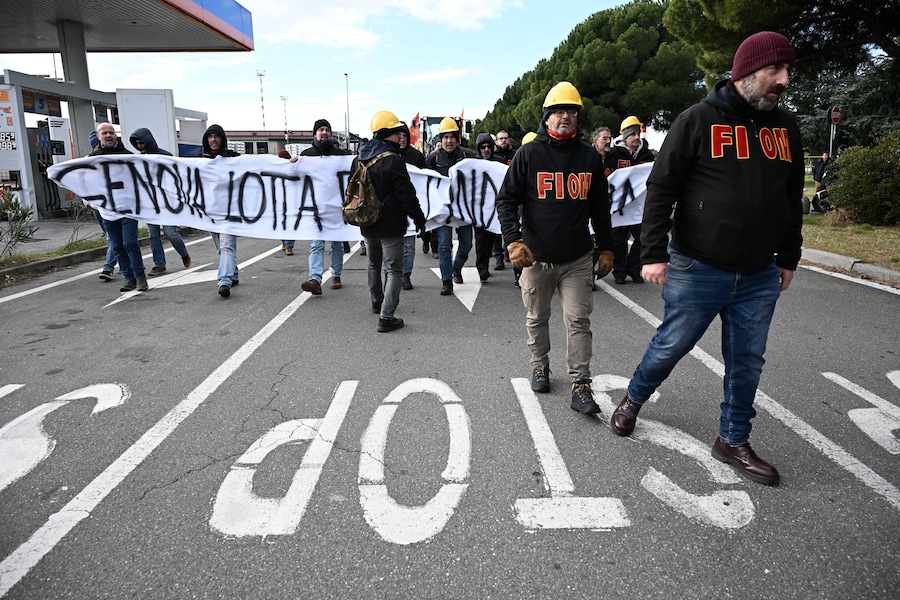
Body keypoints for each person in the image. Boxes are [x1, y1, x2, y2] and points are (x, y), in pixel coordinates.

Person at [610, 31, 804, 487]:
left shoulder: (786, 127)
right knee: (671, 344)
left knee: (748, 361)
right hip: (699, 265)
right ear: (746, 72)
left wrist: (789, 255)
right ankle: (634, 399)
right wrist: (652, 252)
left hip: (758, 271)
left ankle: (733, 439)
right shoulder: (698, 119)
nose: (785, 80)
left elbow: (791, 196)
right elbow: (661, 188)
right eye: (776, 70)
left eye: (788, 71)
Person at [496, 81, 614, 414]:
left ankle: (581, 384)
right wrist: (513, 240)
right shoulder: (529, 153)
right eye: (559, 111)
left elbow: (600, 209)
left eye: (571, 111)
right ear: (547, 116)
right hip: (536, 258)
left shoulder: (589, 156)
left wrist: (606, 247)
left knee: (578, 321)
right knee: (537, 317)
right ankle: (540, 365)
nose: (565, 116)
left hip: (578, 257)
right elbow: (507, 200)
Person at [357, 110, 427, 332]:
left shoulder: (360, 157)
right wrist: (419, 218)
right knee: (395, 270)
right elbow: (406, 194)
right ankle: (387, 317)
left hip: (367, 222)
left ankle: (376, 301)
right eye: (397, 132)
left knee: (373, 264)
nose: (400, 137)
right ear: (388, 134)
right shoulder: (393, 161)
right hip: (391, 225)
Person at [90, 123, 148, 292]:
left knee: (130, 243)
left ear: (116, 135)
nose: (108, 135)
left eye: (111, 132)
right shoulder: (92, 159)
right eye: (104, 133)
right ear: (99, 136)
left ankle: (140, 277)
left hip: (128, 209)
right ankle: (128, 278)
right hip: (107, 211)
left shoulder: (128, 156)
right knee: (118, 246)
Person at [129, 128, 192, 276]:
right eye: (137, 144)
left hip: (166, 202)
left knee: (171, 232)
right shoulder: (138, 159)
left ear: (147, 141)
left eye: (141, 143)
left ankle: (184, 253)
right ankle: (159, 264)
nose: (140, 146)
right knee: (153, 235)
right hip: (150, 203)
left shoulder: (165, 156)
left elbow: (176, 177)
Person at [425, 117, 476, 295]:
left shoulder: (469, 156)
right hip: (443, 212)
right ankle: (446, 281)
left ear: (457, 137)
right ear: (441, 139)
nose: (449, 140)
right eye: (445, 137)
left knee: (467, 244)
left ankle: (457, 267)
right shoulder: (432, 159)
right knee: (444, 246)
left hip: (464, 211)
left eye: (452, 137)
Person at [300, 118, 351, 295]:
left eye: (327, 129)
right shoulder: (306, 155)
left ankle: (336, 274)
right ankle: (315, 278)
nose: (324, 132)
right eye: (320, 129)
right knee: (317, 243)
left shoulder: (342, 155)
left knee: (337, 243)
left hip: (337, 206)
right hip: (316, 208)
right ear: (314, 133)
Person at [608, 116, 655, 284]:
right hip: (620, 206)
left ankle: (634, 268)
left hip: (639, 206)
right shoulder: (614, 154)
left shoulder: (646, 155)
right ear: (625, 136)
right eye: (633, 134)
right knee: (618, 240)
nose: (636, 137)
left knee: (642, 237)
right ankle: (619, 271)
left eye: (638, 134)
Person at [200, 124, 242, 298]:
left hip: (230, 211)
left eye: (216, 136)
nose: (213, 140)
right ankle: (233, 272)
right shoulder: (200, 161)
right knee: (221, 246)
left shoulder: (234, 158)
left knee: (226, 245)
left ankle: (224, 281)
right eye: (210, 137)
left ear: (222, 139)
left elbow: (257, 167)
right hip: (210, 212)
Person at [394, 122, 426, 290]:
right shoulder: (388, 155)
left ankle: (406, 274)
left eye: (404, 135)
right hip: (392, 207)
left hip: (411, 205)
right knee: (391, 245)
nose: (401, 139)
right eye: (398, 135)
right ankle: (392, 274)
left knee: (409, 246)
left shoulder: (417, 156)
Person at [472, 132, 506, 282]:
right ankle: (482, 268)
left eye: (488, 147)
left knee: (496, 237)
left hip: (496, 208)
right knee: (481, 241)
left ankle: (499, 258)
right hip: (479, 210)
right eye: (483, 147)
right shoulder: (473, 164)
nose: (486, 150)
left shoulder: (499, 162)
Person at [86, 130, 119, 283]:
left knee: (112, 236)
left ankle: (108, 267)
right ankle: (122, 261)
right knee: (111, 235)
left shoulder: (115, 157)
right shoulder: (88, 161)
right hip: (97, 206)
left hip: (114, 204)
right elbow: (83, 182)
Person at [277, 148, 297, 255]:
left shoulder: (293, 168)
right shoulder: (276, 169)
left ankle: (289, 245)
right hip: (280, 200)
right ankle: (285, 243)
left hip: (290, 200)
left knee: (289, 222)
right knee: (282, 222)